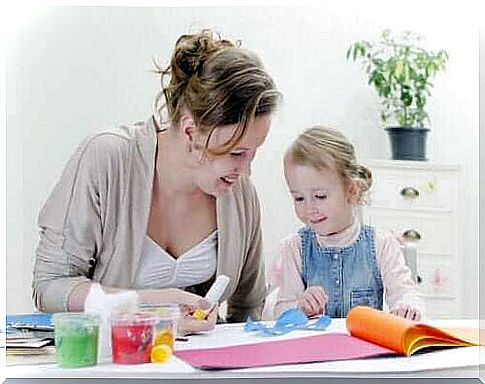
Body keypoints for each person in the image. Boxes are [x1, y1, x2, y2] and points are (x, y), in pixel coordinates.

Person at [32, 30, 280, 334]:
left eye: (253, 153)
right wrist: (145, 304)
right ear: (190, 132)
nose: (246, 170)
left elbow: (248, 309)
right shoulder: (108, 159)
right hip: (105, 367)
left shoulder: (239, 194)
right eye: (237, 152)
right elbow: (50, 287)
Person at [273, 126, 422, 320]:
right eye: (299, 198)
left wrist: (407, 305)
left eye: (320, 196)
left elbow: (406, 292)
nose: (309, 208)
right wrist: (299, 307)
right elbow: (280, 312)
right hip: (314, 349)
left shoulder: (380, 244)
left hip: (367, 348)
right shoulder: (295, 249)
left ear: (352, 191)